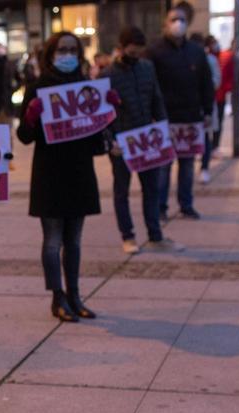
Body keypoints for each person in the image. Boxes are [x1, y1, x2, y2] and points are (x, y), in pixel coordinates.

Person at [19, 31, 108, 322]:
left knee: (75, 240)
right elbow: (24, 136)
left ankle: (75, 294)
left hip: (79, 171)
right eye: (62, 49)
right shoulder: (37, 87)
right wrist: (31, 117)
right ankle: (57, 296)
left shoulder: (86, 86)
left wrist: (108, 116)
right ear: (51, 53)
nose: (67, 55)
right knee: (53, 240)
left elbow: (97, 143)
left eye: (72, 49)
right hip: (50, 172)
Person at [107, 26, 183, 254]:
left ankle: (155, 234)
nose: (135, 56)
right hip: (121, 141)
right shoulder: (108, 76)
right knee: (122, 190)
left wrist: (164, 126)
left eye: (139, 52)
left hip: (146, 138)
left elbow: (156, 99)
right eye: (131, 52)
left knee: (152, 187)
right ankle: (127, 236)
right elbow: (103, 115)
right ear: (121, 49)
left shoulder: (147, 68)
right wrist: (110, 141)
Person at [148, 1, 213, 220]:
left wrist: (208, 111)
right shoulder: (155, 52)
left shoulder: (196, 52)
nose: (178, 24)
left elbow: (205, 83)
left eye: (182, 20)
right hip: (165, 119)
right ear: (165, 24)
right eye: (173, 20)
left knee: (187, 166)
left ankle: (186, 204)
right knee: (164, 167)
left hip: (191, 118)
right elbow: (150, 86)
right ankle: (161, 207)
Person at [199, 35, 222, 183]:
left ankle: (204, 167)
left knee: (206, 137)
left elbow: (216, 81)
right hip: (188, 108)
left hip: (205, 104)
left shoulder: (210, 60)